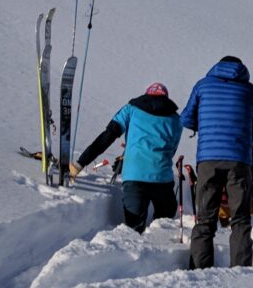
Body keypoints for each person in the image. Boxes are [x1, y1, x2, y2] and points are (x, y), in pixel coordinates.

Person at [180, 55, 253, 269]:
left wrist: (207, 127)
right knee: (240, 219)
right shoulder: (251, 91)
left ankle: (200, 269)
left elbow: (186, 119)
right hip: (239, 160)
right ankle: (241, 269)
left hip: (208, 159)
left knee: (205, 218)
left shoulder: (202, 86)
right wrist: (245, 135)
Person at [74, 83, 184, 232]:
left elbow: (108, 135)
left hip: (134, 176)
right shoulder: (176, 119)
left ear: (146, 95)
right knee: (163, 226)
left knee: (133, 229)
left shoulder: (131, 109)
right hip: (162, 179)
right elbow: (172, 149)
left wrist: (81, 163)